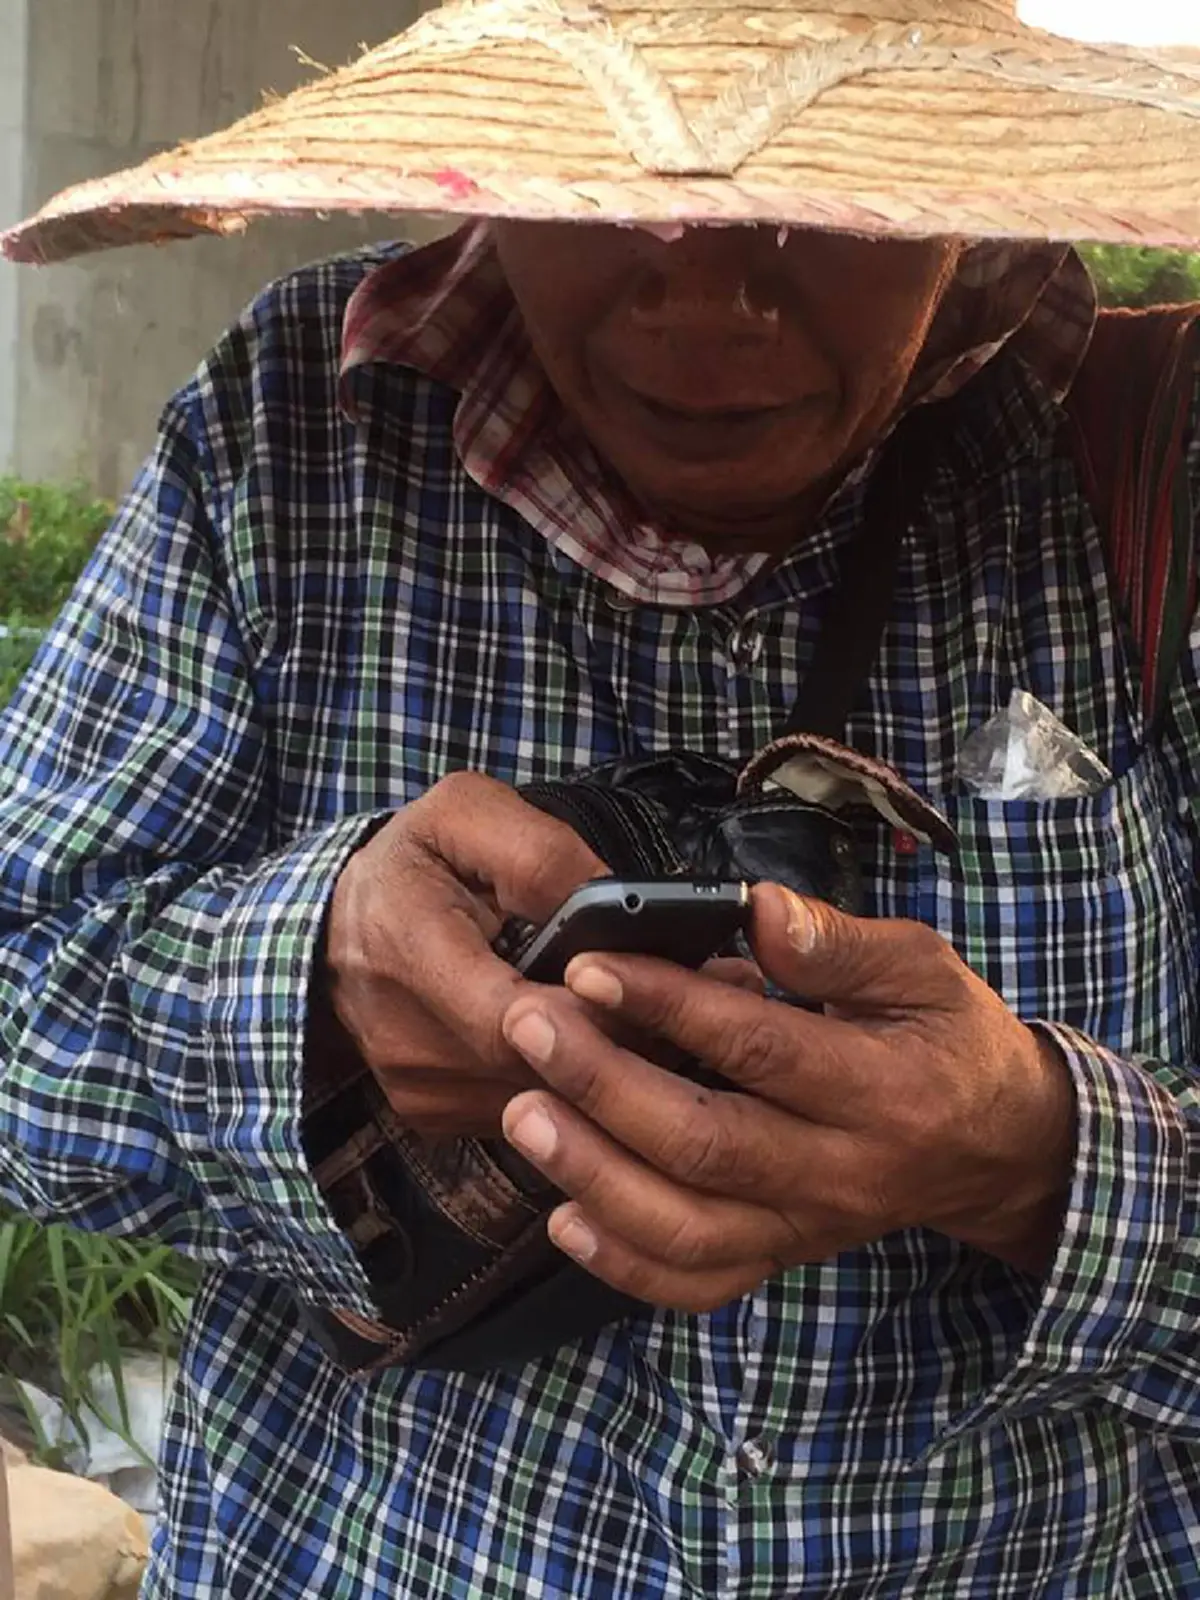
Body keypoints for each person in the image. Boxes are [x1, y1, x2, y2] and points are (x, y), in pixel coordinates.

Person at [2, 1, 1199, 1595]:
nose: (706, 303)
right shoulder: (293, 429)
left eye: (816, 197)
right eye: (612, 196)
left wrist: (1037, 1157)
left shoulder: (1152, 470)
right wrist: (303, 993)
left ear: (952, 199)